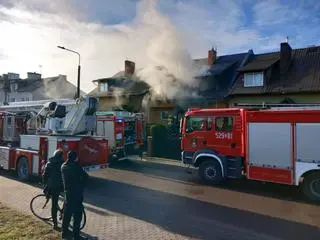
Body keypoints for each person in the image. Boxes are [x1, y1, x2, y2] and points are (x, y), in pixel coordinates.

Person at [61, 150, 89, 240]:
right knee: (77, 216)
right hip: (76, 194)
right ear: (75, 158)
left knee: (67, 215)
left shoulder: (63, 166)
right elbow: (86, 177)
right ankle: (76, 236)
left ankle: (64, 233)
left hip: (67, 194)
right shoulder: (76, 167)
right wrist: (81, 184)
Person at [42, 149, 64, 230]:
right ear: (61, 155)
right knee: (66, 200)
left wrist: (44, 183)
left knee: (54, 205)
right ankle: (62, 213)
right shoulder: (63, 163)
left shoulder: (50, 163)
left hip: (52, 186)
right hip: (62, 186)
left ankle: (55, 224)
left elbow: (45, 175)